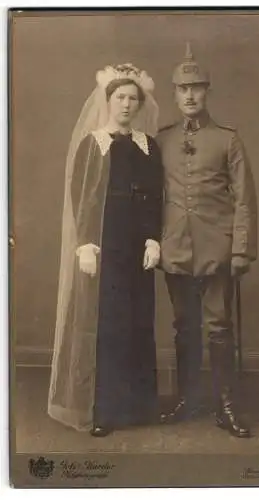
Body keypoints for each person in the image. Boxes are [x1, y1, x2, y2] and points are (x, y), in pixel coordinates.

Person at [48, 63, 163, 437]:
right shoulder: (93, 143)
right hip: (104, 244)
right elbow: (80, 198)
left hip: (136, 249)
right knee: (105, 325)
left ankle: (137, 408)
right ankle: (101, 410)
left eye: (133, 98)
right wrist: (85, 244)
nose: (127, 105)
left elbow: (155, 198)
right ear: (109, 101)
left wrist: (153, 238)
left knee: (137, 321)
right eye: (120, 98)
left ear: (140, 103)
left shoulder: (149, 146)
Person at [156, 43, 257, 438]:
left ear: (207, 91)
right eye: (183, 89)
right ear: (175, 93)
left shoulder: (228, 139)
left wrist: (241, 249)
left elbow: (245, 198)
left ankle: (225, 406)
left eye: (197, 87)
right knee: (184, 326)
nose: (190, 95)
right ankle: (186, 400)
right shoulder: (161, 139)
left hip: (217, 249)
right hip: (176, 248)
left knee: (218, 327)